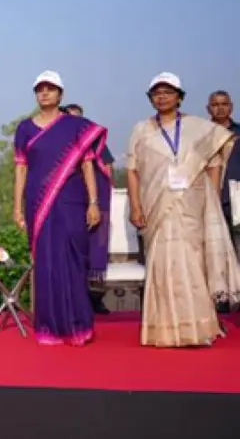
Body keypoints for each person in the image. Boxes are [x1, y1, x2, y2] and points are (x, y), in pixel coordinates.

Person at [127, 73, 240, 347]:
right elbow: (132, 170)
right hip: (157, 206)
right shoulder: (142, 129)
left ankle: (199, 327)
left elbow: (214, 164)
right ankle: (164, 329)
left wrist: (211, 201)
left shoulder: (198, 128)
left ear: (179, 97)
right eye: (157, 93)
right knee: (164, 263)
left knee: (192, 263)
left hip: (192, 204)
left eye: (168, 92)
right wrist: (136, 206)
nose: (162, 97)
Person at [13, 71, 111, 347]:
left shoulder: (75, 126)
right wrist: (17, 207)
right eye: (40, 89)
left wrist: (94, 203)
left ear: (60, 94)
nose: (45, 93)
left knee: (73, 262)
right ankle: (50, 327)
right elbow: (21, 168)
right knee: (45, 264)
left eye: (50, 88)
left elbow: (87, 164)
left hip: (71, 201)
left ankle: (79, 326)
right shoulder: (25, 129)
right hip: (38, 203)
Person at [61, 103, 114, 315]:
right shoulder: (60, 141)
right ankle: (71, 299)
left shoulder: (95, 139)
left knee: (95, 246)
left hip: (95, 198)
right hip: (70, 199)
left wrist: (98, 200)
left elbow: (107, 167)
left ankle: (94, 298)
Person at [207, 90, 240, 313]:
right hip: (210, 200)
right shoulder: (202, 133)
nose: (220, 108)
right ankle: (219, 299)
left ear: (231, 106)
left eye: (224, 104)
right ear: (208, 108)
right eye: (215, 104)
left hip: (237, 201)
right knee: (215, 251)